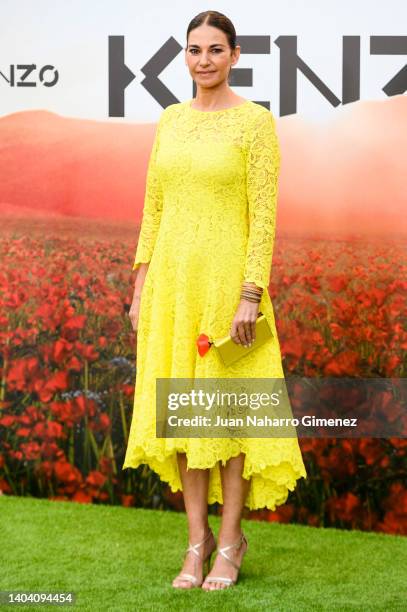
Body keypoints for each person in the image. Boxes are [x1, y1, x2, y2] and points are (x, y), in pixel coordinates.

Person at [122, 10, 307, 591]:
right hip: (173, 287)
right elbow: (153, 208)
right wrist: (140, 284)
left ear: (236, 54)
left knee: (225, 418)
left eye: (215, 49)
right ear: (185, 55)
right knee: (183, 416)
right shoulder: (170, 120)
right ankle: (196, 544)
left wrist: (251, 294)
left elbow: (264, 218)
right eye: (194, 49)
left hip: (229, 285)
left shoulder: (255, 122)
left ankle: (231, 542)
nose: (204, 60)